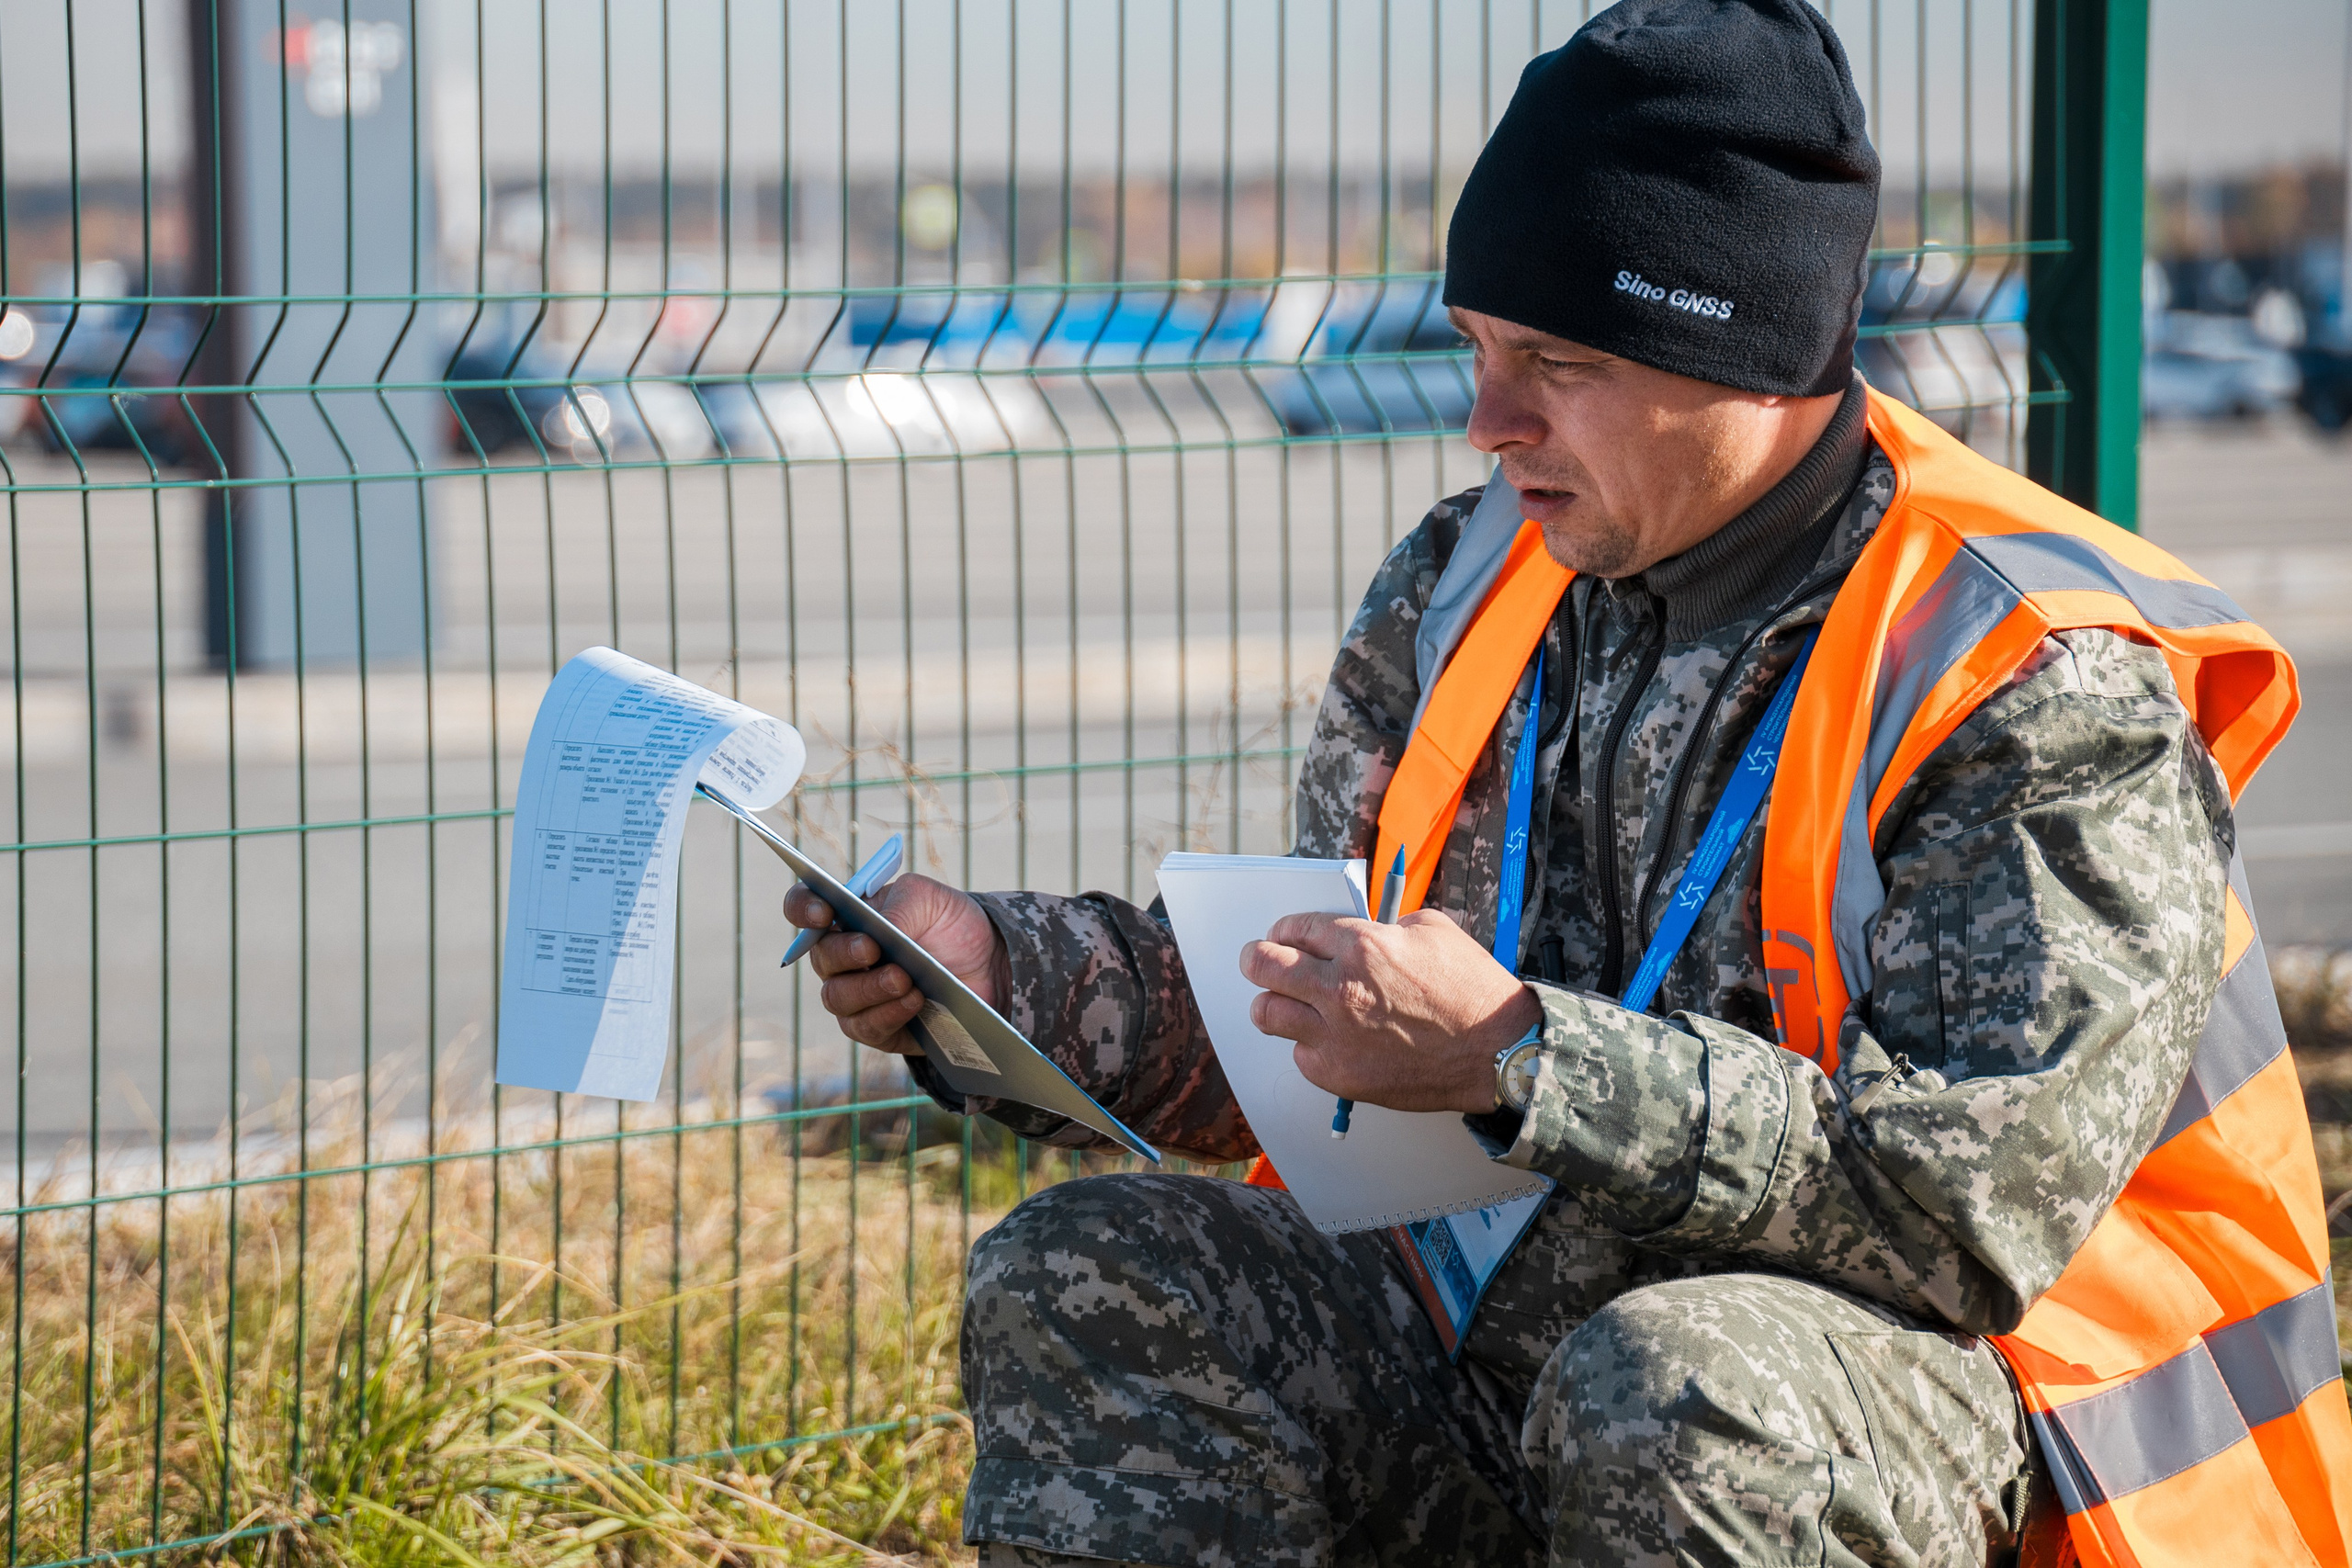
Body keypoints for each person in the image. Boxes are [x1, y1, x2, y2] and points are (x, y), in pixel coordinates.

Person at [786, 3, 2350, 1564]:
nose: (1489, 419)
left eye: (1560, 362)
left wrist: (1525, 1057)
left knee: (1679, 1395)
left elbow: (1965, 1215)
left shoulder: (2022, 671)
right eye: (1479, 347)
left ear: (1750, 355)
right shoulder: (1470, 579)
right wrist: (1014, 982)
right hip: (1516, 1362)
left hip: (1948, 1422)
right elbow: (1328, 1036)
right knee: (1094, 1268)